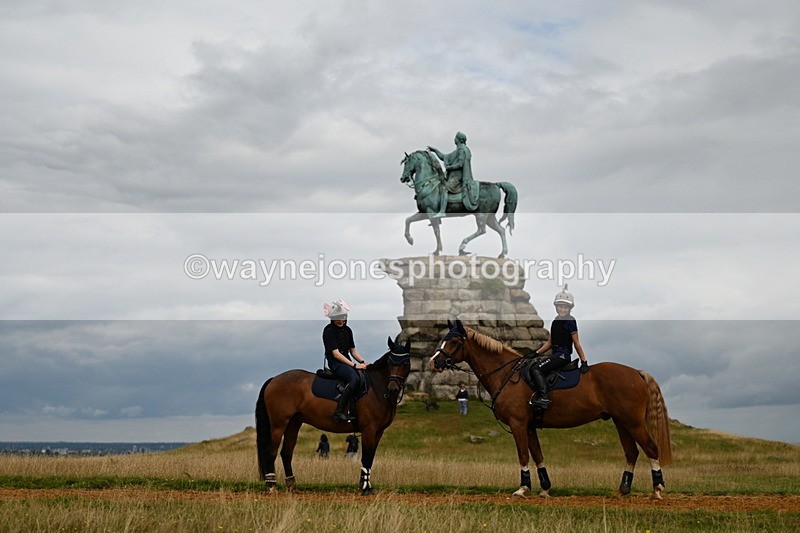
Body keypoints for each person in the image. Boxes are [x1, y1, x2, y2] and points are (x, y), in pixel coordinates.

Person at [529, 284, 589, 410]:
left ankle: (544, 398)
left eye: (565, 307)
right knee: (535, 365)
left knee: (536, 370)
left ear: (569, 308)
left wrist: (584, 361)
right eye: (560, 306)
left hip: (563, 356)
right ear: (556, 307)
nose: (563, 309)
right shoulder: (555, 321)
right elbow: (550, 343)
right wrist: (536, 353)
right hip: (555, 355)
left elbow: (576, 343)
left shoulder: (570, 321)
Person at [322, 299, 368, 423]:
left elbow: (353, 351)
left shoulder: (348, 330)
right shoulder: (328, 331)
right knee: (355, 379)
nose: (341, 320)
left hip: (347, 361)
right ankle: (339, 412)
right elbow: (336, 354)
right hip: (336, 364)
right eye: (337, 318)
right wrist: (354, 365)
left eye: (342, 317)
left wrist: (363, 362)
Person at [427, 131, 478, 217]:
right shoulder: (459, 150)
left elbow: (461, 164)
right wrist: (435, 151)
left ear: (458, 139)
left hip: (458, 178)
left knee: (444, 188)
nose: (454, 139)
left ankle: (442, 211)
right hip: (454, 177)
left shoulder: (462, 149)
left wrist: (449, 168)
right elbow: (444, 157)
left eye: (455, 138)